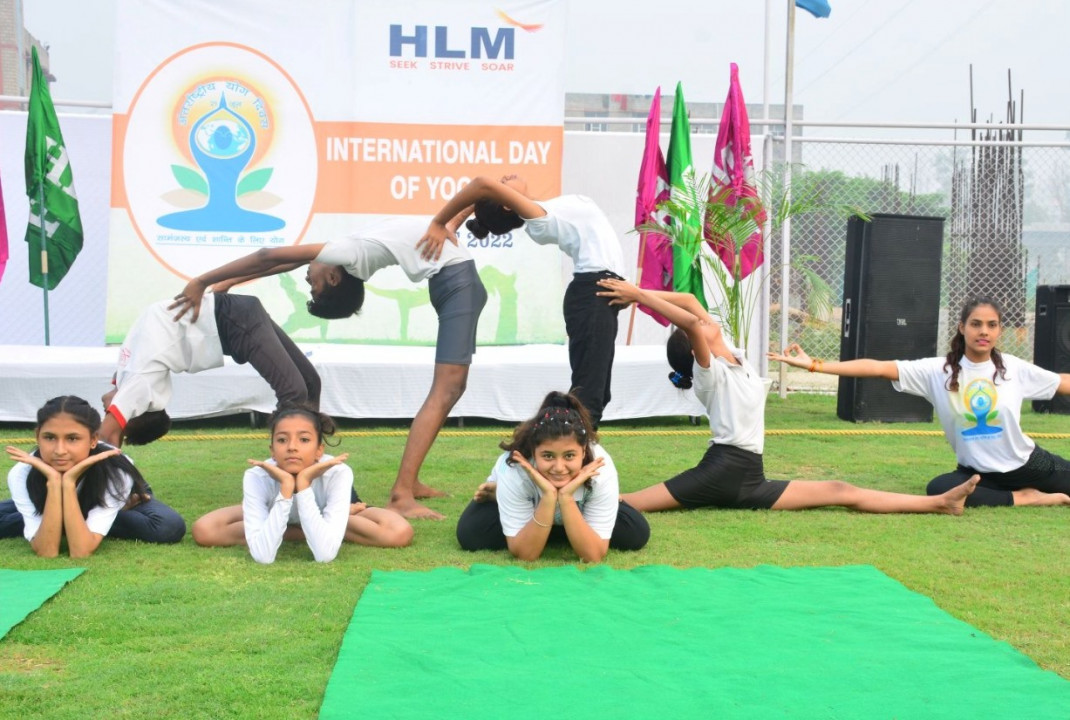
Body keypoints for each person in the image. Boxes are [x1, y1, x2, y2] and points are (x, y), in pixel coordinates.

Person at [169, 213, 487, 520]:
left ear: (333, 277)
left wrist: (203, 281)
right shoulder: (347, 254)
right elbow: (281, 260)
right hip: (456, 281)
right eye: (314, 287)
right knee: (447, 390)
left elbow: (270, 256)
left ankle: (404, 488)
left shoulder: (348, 251)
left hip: (458, 281)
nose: (308, 280)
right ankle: (401, 492)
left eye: (313, 287)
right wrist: (226, 282)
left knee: (448, 390)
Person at [596, 278, 980, 515]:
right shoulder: (708, 373)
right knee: (623, 503)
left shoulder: (736, 361)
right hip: (721, 470)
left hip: (751, 476)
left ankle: (940, 503)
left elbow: (690, 303)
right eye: (706, 327)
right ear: (700, 347)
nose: (711, 321)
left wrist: (638, 292)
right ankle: (556, 501)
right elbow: (693, 321)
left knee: (839, 491)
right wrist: (639, 298)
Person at [769, 296, 1070, 508]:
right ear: (962, 327)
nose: (984, 332)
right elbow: (877, 367)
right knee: (938, 489)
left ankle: (1028, 488)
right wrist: (814, 365)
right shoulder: (937, 371)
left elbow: (1062, 382)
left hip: (1026, 466)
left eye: (992, 325)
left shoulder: (1014, 368)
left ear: (999, 330)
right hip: (977, 473)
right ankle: (1025, 498)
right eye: (976, 324)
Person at [419, 174, 626, 429]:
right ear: (507, 204)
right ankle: (571, 459)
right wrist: (439, 223)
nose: (505, 176)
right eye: (503, 185)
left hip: (600, 293)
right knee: (589, 397)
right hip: (594, 293)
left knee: (597, 393)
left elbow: (482, 195)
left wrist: (458, 221)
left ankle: (561, 450)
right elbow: (482, 184)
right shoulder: (540, 219)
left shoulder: (542, 212)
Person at [190, 405, 412, 563]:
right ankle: (324, 527)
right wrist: (287, 487)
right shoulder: (257, 475)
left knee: (398, 533)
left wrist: (304, 483)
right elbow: (263, 556)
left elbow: (325, 555)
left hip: (323, 509)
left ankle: (329, 522)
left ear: (319, 450)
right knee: (205, 531)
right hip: (276, 509)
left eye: (304, 440)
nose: (292, 447)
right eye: (282, 440)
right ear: (272, 450)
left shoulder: (337, 472)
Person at [99, 292, 320, 448]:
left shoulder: (129, 377)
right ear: (134, 412)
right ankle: (310, 463)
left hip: (233, 316)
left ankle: (294, 469)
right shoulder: (139, 382)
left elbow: (109, 433)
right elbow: (110, 435)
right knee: (308, 385)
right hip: (235, 320)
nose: (105, 410)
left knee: (295, 393)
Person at [455, 391, 649, 563]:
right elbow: (525, 554)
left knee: (635, 533)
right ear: (533, 451)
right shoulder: (515, 467)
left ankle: (566, 519)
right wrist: (549, 495)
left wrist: (564, 497)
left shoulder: (600, 466)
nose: (559, 468)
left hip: (577, 508)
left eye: (569, 456)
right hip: (530, 505)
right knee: (471, 534)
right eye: (548, 456)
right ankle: (506, 498)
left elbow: (594, 555)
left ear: (583, 451)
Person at [1, 396, 186, 557]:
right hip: (49, 498)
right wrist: (55, 482)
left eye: (72, 439)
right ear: (37, 436)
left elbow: (81, 551)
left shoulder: (115, 469)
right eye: (49, 438)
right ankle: (64, 517)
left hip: (121, 497)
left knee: (168, 526)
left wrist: (69, 483)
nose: (59, 450)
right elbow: (46, 551)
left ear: (93, 440)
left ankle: (72, 518)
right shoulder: (22, 473)